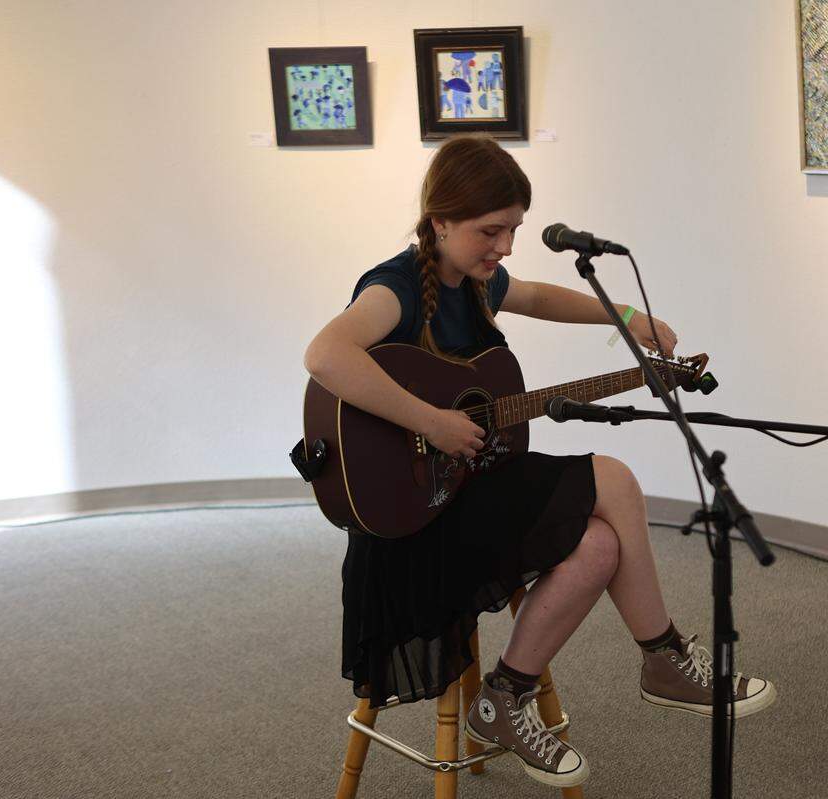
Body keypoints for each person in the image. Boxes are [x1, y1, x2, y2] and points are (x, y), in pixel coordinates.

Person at [302, 134, 775, 788]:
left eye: (514, 229)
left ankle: (504, 696)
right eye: (489, 230)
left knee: (601, 546)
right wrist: (432, 420)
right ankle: (663, 657)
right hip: (412, 532)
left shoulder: (476, 281)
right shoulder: (396, 287)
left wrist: (630, 316)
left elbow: (537, 296)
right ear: (439, 220)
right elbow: (325, 355)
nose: (504, 247)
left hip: (467, 497)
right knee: (613, 477)